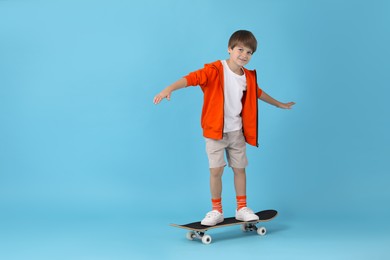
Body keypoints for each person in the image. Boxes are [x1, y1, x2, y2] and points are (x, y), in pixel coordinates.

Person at [153, 30, 295, 226]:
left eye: (249, 52)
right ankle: (216, 210)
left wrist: (279, 104)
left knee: (240, 169)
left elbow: (257, 93)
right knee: (216, 170)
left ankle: (242, 208)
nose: (244, 55)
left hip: (236, 132)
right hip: (215, 132)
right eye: (240, 49)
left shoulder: (247, 77)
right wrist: (169, 88)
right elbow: (191, 79)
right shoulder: (214, 70)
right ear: (229, 49)